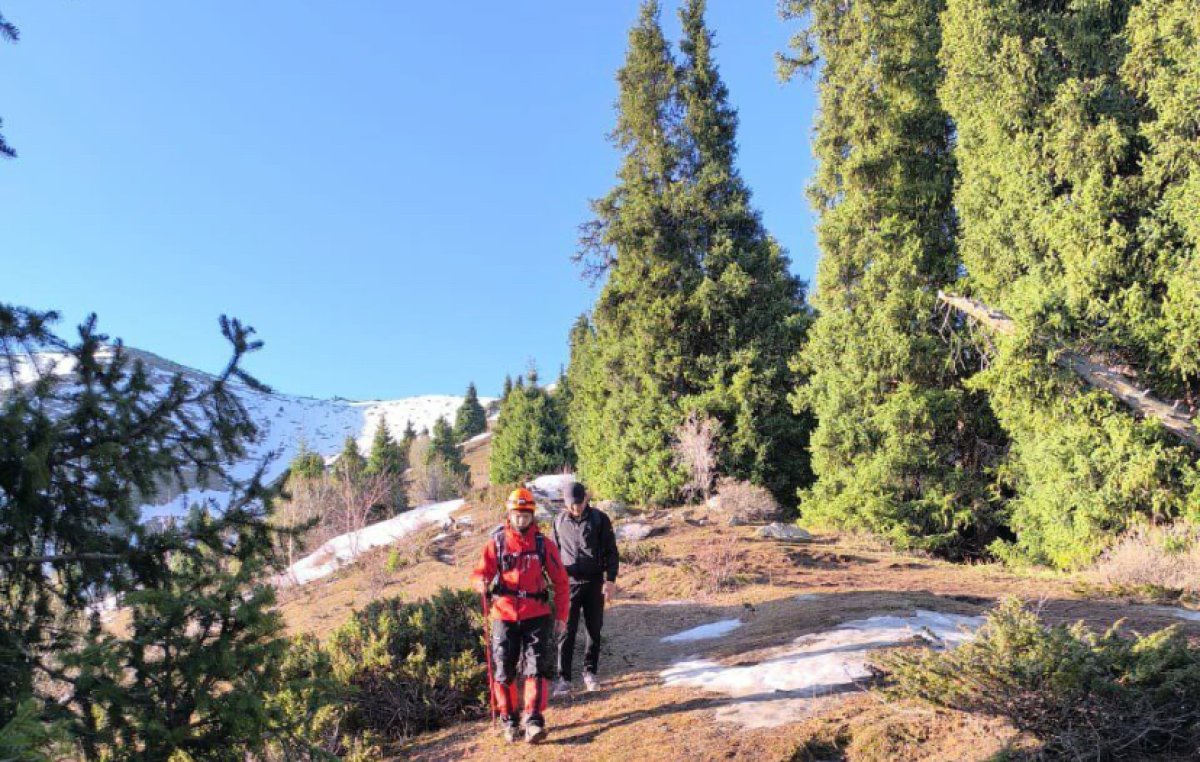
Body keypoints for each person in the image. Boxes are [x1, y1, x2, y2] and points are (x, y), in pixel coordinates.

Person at [472, 487, 569, 744]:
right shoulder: (497, 543)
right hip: (503, 616)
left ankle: (534, 720)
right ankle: (509, 720)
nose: (521, 519)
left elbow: (561, 582)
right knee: (503, 671)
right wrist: (480, 581)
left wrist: (562, 616)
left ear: (532, 515)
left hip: (536, 615)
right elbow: (480, 571)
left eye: (526, 515)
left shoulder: (543, 545)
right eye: (517, 514)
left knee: (535, 669)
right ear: (510, 514)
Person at [551, 481, 619, 696]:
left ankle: (590, 672)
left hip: (594, 582)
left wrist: (610, 580)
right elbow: (552, 555)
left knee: (593, 629)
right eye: (572, 504)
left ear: (585, 499)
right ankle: (564, 679)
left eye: (579, 503)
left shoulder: (599, 519)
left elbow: (611, 551)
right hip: (568, 584)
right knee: (566, 631)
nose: (576, 508)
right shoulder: (558, 522)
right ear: (565, 502)